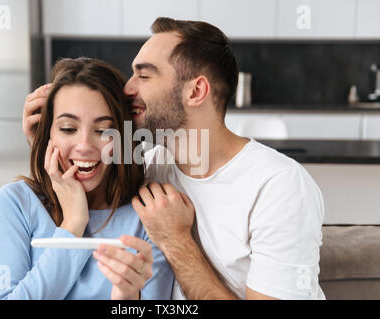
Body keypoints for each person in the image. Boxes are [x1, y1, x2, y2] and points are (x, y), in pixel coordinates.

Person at [23, 18, 325, 300]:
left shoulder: (279, 187)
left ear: (195, 91)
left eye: (143, 75)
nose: (127, 88)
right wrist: (45, 142)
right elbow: (85, 180)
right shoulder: (151, 163)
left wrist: (176, 241)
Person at [0, 57, 174, 300]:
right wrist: (73, 223)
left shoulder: (150, 213)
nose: (85, 146)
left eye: (103, 131)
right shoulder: (16, 203)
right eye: (67, 129)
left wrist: (127, 298)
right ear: (48, 133)